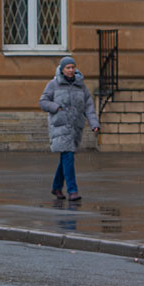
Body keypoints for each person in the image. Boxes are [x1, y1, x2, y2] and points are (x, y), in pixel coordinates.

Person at [39, 55, 99, 201]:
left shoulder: (81, 86)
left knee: (66, 158)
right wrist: (56, 107)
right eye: (68, 67)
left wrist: (94, 124)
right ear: (62, 69)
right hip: (60, 126)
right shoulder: (53, 84)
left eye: (73, 67)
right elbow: (43, 102)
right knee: (68, 156)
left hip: (75, 126)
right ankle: (73, 191)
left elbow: (89, 106)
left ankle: (56, 187)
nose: (71, 70)